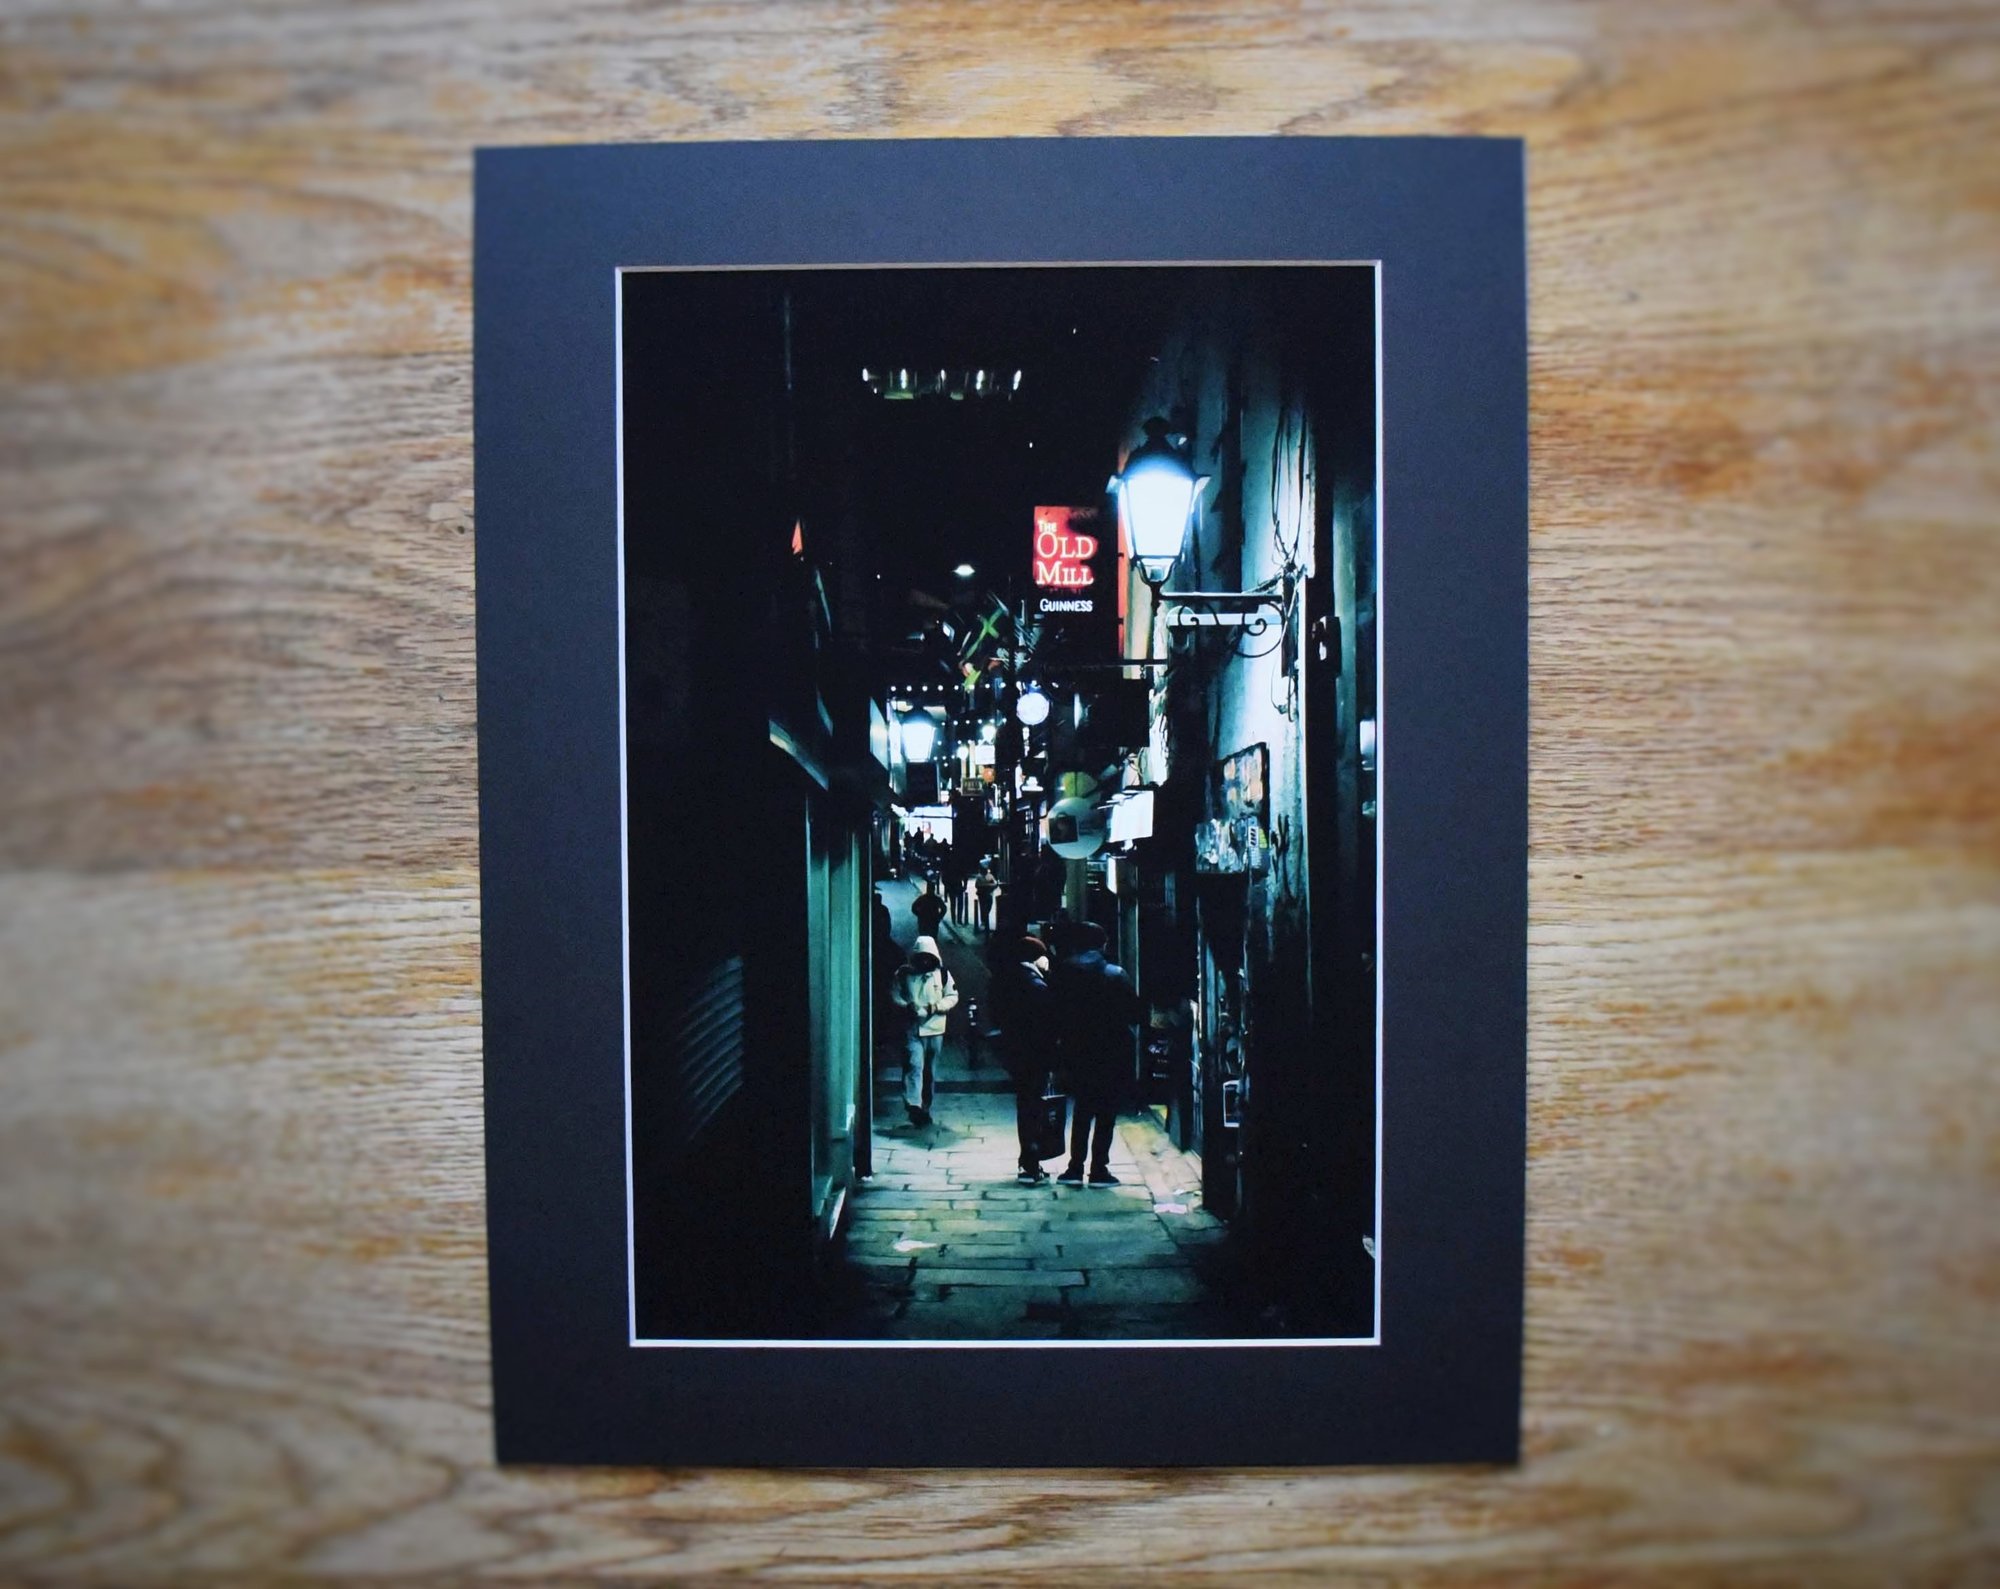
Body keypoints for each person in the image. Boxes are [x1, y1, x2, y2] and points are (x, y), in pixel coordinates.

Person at [1049, 921, 1138, 1186]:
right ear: (1103, 944)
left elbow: (1054, 1012)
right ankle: (1099, 1169)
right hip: (1111, 1053)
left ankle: (1074, 1168)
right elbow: (1134, 1013)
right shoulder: (1116, 974)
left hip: (1077, 1051)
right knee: (1106, 1113)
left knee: (1082, 1110)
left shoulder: (1065, 971)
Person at [989, 934, 1056, 1184]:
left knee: (1025, 1105)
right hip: (1036, 1055)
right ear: (1035, 958)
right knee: (1034, 1108)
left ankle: (1028, 1161)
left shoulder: (1007, 981)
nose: (1047, 961)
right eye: (1044, 956)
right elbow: (1047, 1024)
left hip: (1015, 1054)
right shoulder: (1036, 985)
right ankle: (1030, 1163)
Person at [888, 934, 957, 1127]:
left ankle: (925, 1106)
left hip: (935, 1029)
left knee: (930, 1072)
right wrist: (906, 1005)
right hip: (912, 1028)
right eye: (922, 957)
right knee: (914, 1065)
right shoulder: (903, 974)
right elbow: (895, 993)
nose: (925, 961)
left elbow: (952, 996)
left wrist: (936, 1007)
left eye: (928, 957)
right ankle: (914, 1105)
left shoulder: (943, 974)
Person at [974, 861, 999, 934]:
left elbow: (995, 884)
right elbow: (977, 885)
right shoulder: (979, 876)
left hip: (989, 894)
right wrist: (988, 886)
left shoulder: (989, 876)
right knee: (983, 908)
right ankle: (984, 922)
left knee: (988, 907)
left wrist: (988, 886)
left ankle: (985, 920)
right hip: (982, 895)